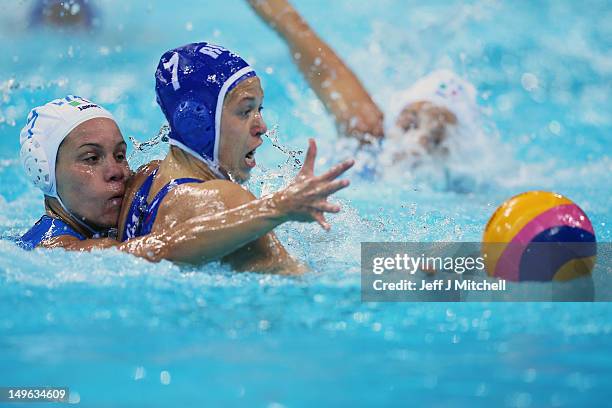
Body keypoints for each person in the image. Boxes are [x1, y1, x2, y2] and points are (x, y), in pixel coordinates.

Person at [17, 95, 353, 272]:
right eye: (92, 159)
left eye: (120, 155)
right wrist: (276, 208)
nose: (116, 171)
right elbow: (161, 250)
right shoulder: (54, 250)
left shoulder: (135, 192)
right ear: (45, 172)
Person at [117, 42, 354, 274]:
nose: (261, 126)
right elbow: (305, 288)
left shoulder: (142, 181)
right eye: (245, 111)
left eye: (259, 110)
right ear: (196, 123)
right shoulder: (226, 200)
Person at [247, 0, 481, 162]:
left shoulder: (466, 185)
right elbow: (296, 30)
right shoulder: (368, 136)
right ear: (395, 117)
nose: (417, 145)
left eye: (435, 140)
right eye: (409, 125)